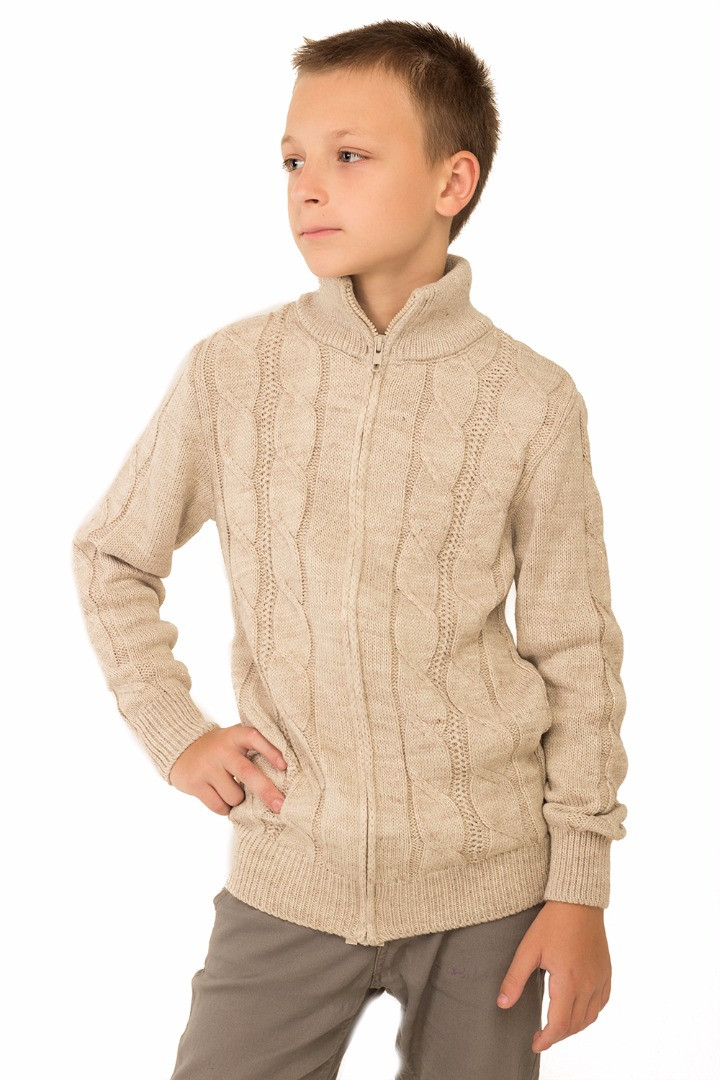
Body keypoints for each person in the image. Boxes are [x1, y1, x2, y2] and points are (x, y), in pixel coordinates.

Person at [71, 19, 629, 1080]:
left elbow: (578, 651)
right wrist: (176, 733)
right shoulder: (232, 373)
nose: (309, 187)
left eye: (350, 155)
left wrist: (580, 887)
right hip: (291, 873)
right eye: (292, 160)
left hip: (489, 892)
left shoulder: (531, 400)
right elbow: (111, 556)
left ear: (452, 180)